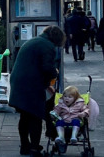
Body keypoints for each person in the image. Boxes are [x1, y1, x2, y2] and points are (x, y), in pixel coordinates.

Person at [9, 25, 65, 157]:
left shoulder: (34, 41)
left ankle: (25, 145)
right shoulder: (47, 46)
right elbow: (47, 67)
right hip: (31, 85)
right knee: (36, 116)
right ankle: (34, 148)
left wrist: (46, 84)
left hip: (19, 82)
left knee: (25, 115)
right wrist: (54, 73)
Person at [52, 84, 90, 150]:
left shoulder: (80, 103)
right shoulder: (61, 103)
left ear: (75, 99)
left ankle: (73, 136)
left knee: (76, 121)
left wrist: (83, 113)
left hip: (75, 119)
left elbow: (86, 109)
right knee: (58, 122)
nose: (66, 98)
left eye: (69, 97)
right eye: (65, 96)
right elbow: (56, 110)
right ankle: (61, 137)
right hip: (64, 119)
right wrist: (54, 114)